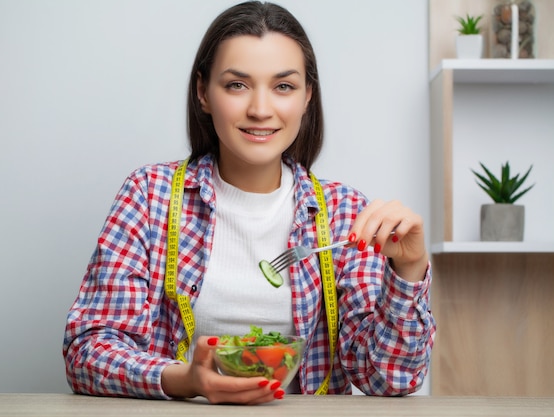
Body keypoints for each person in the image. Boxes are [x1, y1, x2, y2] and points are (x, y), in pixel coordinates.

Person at [63, 1, 436, 405]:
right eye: (237, 85)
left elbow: (390, 377)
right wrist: (185, 380)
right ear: (203, 92)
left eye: (284, 86)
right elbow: (88, 351)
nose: (260, 110)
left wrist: (408, 270)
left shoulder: (344, 213)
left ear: (308, 96)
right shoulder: (150, 196)